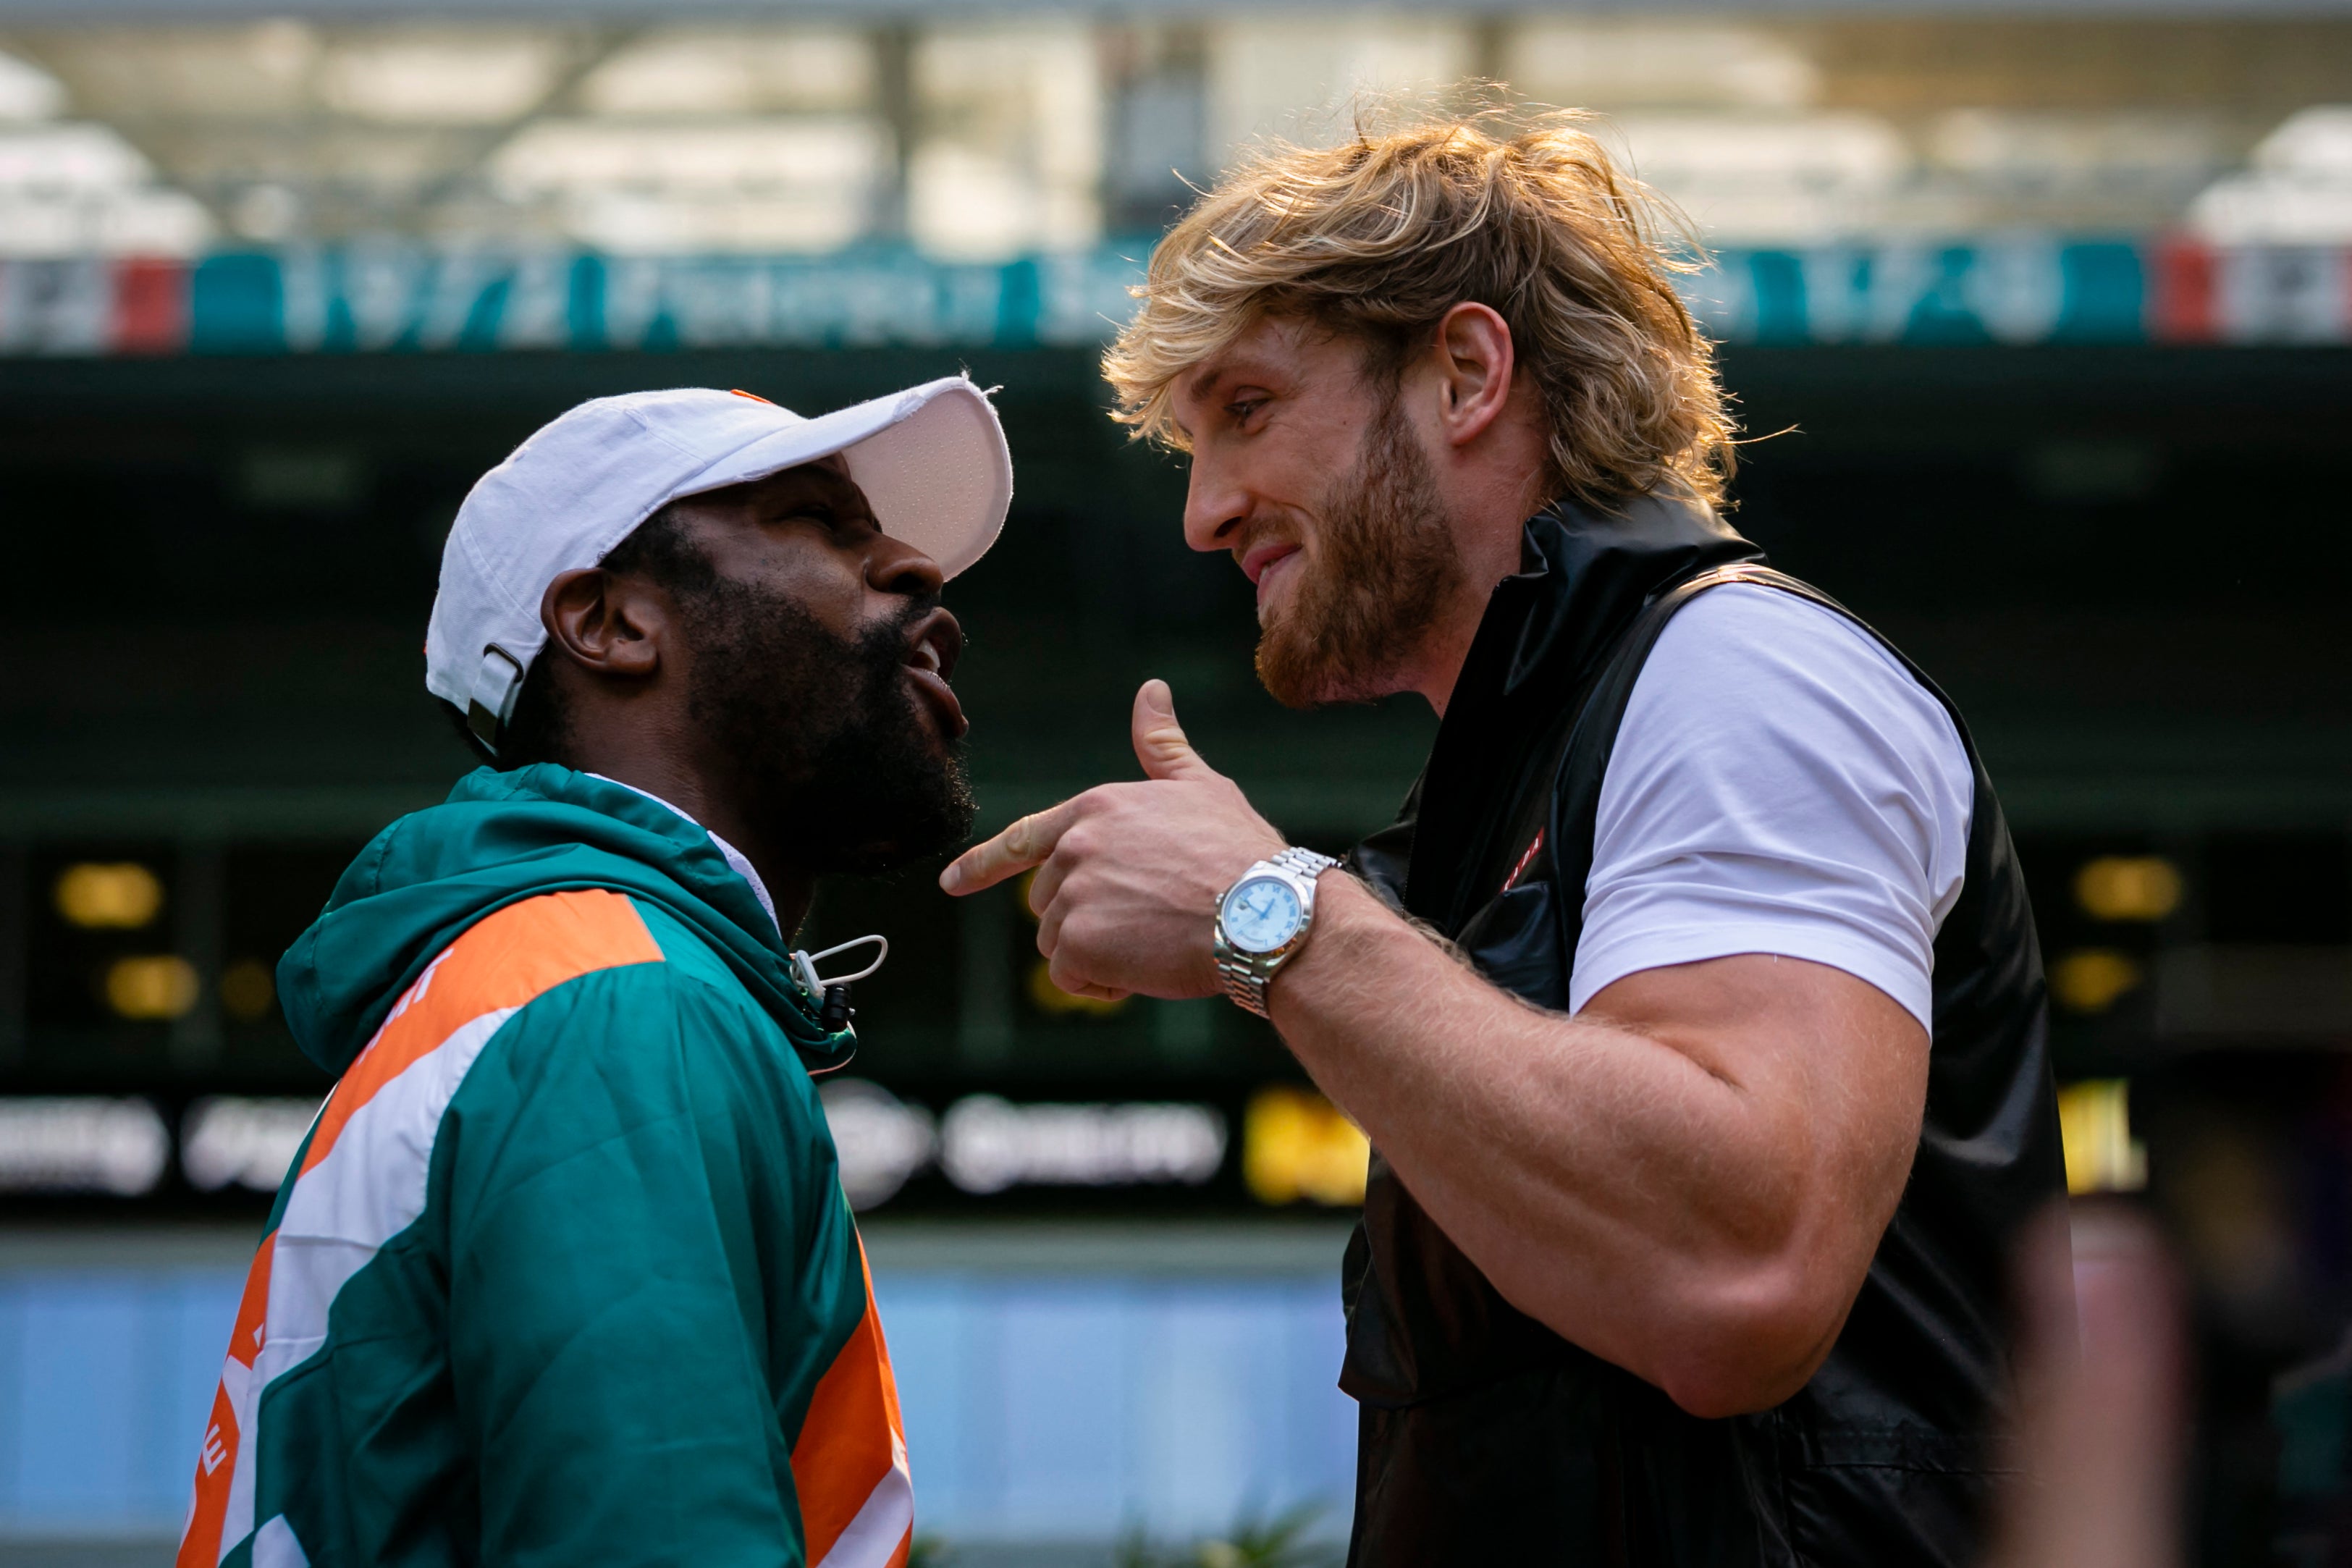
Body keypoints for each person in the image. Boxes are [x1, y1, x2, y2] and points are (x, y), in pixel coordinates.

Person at [941, 111, 2065, 1564]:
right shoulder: (1544, 753)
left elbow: (1738, 1276)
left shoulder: (1735, 679)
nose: (1203, 515)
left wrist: (1265, 913)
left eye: (1248, 410)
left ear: (1465, 371)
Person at [177, 376, 1011, 1568]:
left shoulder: (542, 983)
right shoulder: (620, 1004)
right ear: (612, 624)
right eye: (820, 523)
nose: (919, 573)